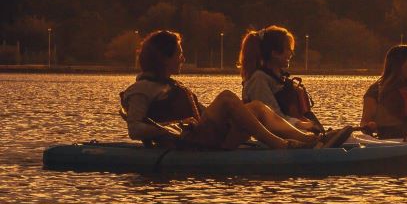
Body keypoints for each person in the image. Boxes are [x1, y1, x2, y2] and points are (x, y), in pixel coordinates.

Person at [121, 30, 318, 150]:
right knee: (226, 97)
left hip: (206, 138)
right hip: (190, 143)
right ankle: (280, 145)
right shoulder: (141, 90)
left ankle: (307, 139)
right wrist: (176, 125)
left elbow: (204, 114)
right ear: (164, 58)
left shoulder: (172, 85)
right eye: (179, 54)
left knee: (256, 107)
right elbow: (134, 129)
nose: (182, 59)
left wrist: (239, 114)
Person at [238, 26, 320, 133]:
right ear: (274, 53)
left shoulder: (281, 79)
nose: (291, 53)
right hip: (277, 140)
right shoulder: (258, 79)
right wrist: (306, 126)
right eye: (288, 49)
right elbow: (274, 119)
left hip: (297, 132)